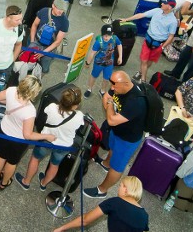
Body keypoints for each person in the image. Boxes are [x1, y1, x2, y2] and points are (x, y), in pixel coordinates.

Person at [84, 70, 147, 199]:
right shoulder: (119, 87)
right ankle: (106, 164)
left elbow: (111, 120)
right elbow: (106, 96)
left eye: (114, 86)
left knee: (117, 167)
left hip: (128, 140)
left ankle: (102, 190)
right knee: (112, 147)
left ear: (125, 83)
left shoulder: (136, 102)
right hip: (117, 131)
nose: (112, 88)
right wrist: (110, 108)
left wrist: (110, 107)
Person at [0, 76, 56, 191]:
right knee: (12, 162)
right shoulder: (30, 111)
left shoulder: (11, 90)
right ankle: (4, 183)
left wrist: (10, 104)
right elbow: (28, 135)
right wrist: (47, 136)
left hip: (4, 130)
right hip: (17, 140)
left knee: (1, 155)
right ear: (33, 93)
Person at [15, 87, 84, 191]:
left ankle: (26, 181)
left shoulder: (52, 107)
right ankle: (43, 183)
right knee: (54, 165)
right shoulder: (79, 116)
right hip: (64, 145)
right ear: (76, 105)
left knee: (35, 158)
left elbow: (45, 114)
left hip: (46, 140)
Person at [56, 176, 148, 232]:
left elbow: (85, 219)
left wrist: (62, 228)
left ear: (126, 189)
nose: (118, 189)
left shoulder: (115, 202)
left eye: (120, 186)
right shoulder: (145, 215)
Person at [121, 0, 178, 82]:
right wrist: (126, 19)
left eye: (164, 4)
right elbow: (141, 15)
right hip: (148, 40)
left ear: (169, 7)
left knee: (150, 61)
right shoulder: (157, 11)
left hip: (158, 44)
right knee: (144, 60)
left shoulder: (173, 21)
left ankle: (140, 72)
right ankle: (143, 80)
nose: (161, 4)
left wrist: (163, 47)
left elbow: (171, 36)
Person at [28, 0, 69, 74]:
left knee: (45, 68)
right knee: (29, 61)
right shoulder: (43, 11)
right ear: (53, 6)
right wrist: (32, 41)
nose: (61, 12)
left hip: (50, 47)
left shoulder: (64, 21)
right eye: (59, 9)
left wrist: (43, 53)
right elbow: (34, 25)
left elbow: (57, 42)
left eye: (63, 10)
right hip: (37, 41)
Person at [83, 25, 123, 98]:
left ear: (112, 34)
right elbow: (92, 53)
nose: (106, 38)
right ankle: (89, 89)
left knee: (106, 78)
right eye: (105, 35)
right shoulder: (98, 42)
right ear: (102, 34)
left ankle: (102, 90)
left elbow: (119, 45)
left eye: (108, 35)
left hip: (109, 62)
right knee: (94, 76)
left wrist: (120, 56)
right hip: (99, 62)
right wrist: (87, 62)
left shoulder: (114, 38)